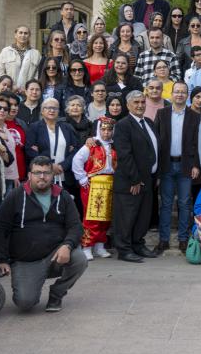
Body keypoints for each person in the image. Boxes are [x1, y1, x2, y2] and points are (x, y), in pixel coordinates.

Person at [0, 155, 87, 313]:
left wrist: (67, 246)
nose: (42, 176)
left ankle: (57, 293)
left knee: (79, 259)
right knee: (25, 303)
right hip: (26, 261)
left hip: (55, 255)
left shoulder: (62, 195)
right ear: (29, 175)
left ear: (52, 175)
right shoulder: (15, 196)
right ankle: (33, 282)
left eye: (46, 172)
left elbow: (76, 226)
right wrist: (1, 259)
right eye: (37, 172)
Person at [112, 91, 159, 263]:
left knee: (142, 216)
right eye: (136, 102)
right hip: (131, 181)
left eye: (142, 102)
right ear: (128, 105)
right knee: (127, 217)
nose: (140, 105)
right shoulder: (123, 125)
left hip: (148, 179)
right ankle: (124, 249)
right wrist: (135, 179)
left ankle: (138, 244)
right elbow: (124, 155)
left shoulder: (148, 122)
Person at [156, 82, 200, 251]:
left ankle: (183, 239)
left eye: (183, 92)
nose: (180, 95)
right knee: (166, 204)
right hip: (166, 165)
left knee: (184, 203)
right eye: (177, 92)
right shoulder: (162, 114)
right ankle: (163, 239)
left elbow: (197, 143)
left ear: (187, 95)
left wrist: (196, 164)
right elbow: (156, 140)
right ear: (171, 94)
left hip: (186, 165)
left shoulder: (194, 116)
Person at [71, 115, 116, 260]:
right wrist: (82, 178)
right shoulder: (91, 145)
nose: (106, 133)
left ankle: (100, 246)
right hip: (93, 184)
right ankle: (87, 246)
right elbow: (77, 160)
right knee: (92, 217)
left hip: (110, 183)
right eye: (103, 129)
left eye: (109, 130)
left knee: (105, 218)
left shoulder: (114, 146)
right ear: (98, 130)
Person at [26, 98, 77, 189]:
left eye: (55, 108)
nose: (52, 110)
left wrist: (63, 166)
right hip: (42, 176)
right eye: (48, 108)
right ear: (42, 111)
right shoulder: (35, 127)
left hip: (64, 174)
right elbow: (30, 150)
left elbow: (75, 149)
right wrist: (49, 166)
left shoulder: (67, 127)